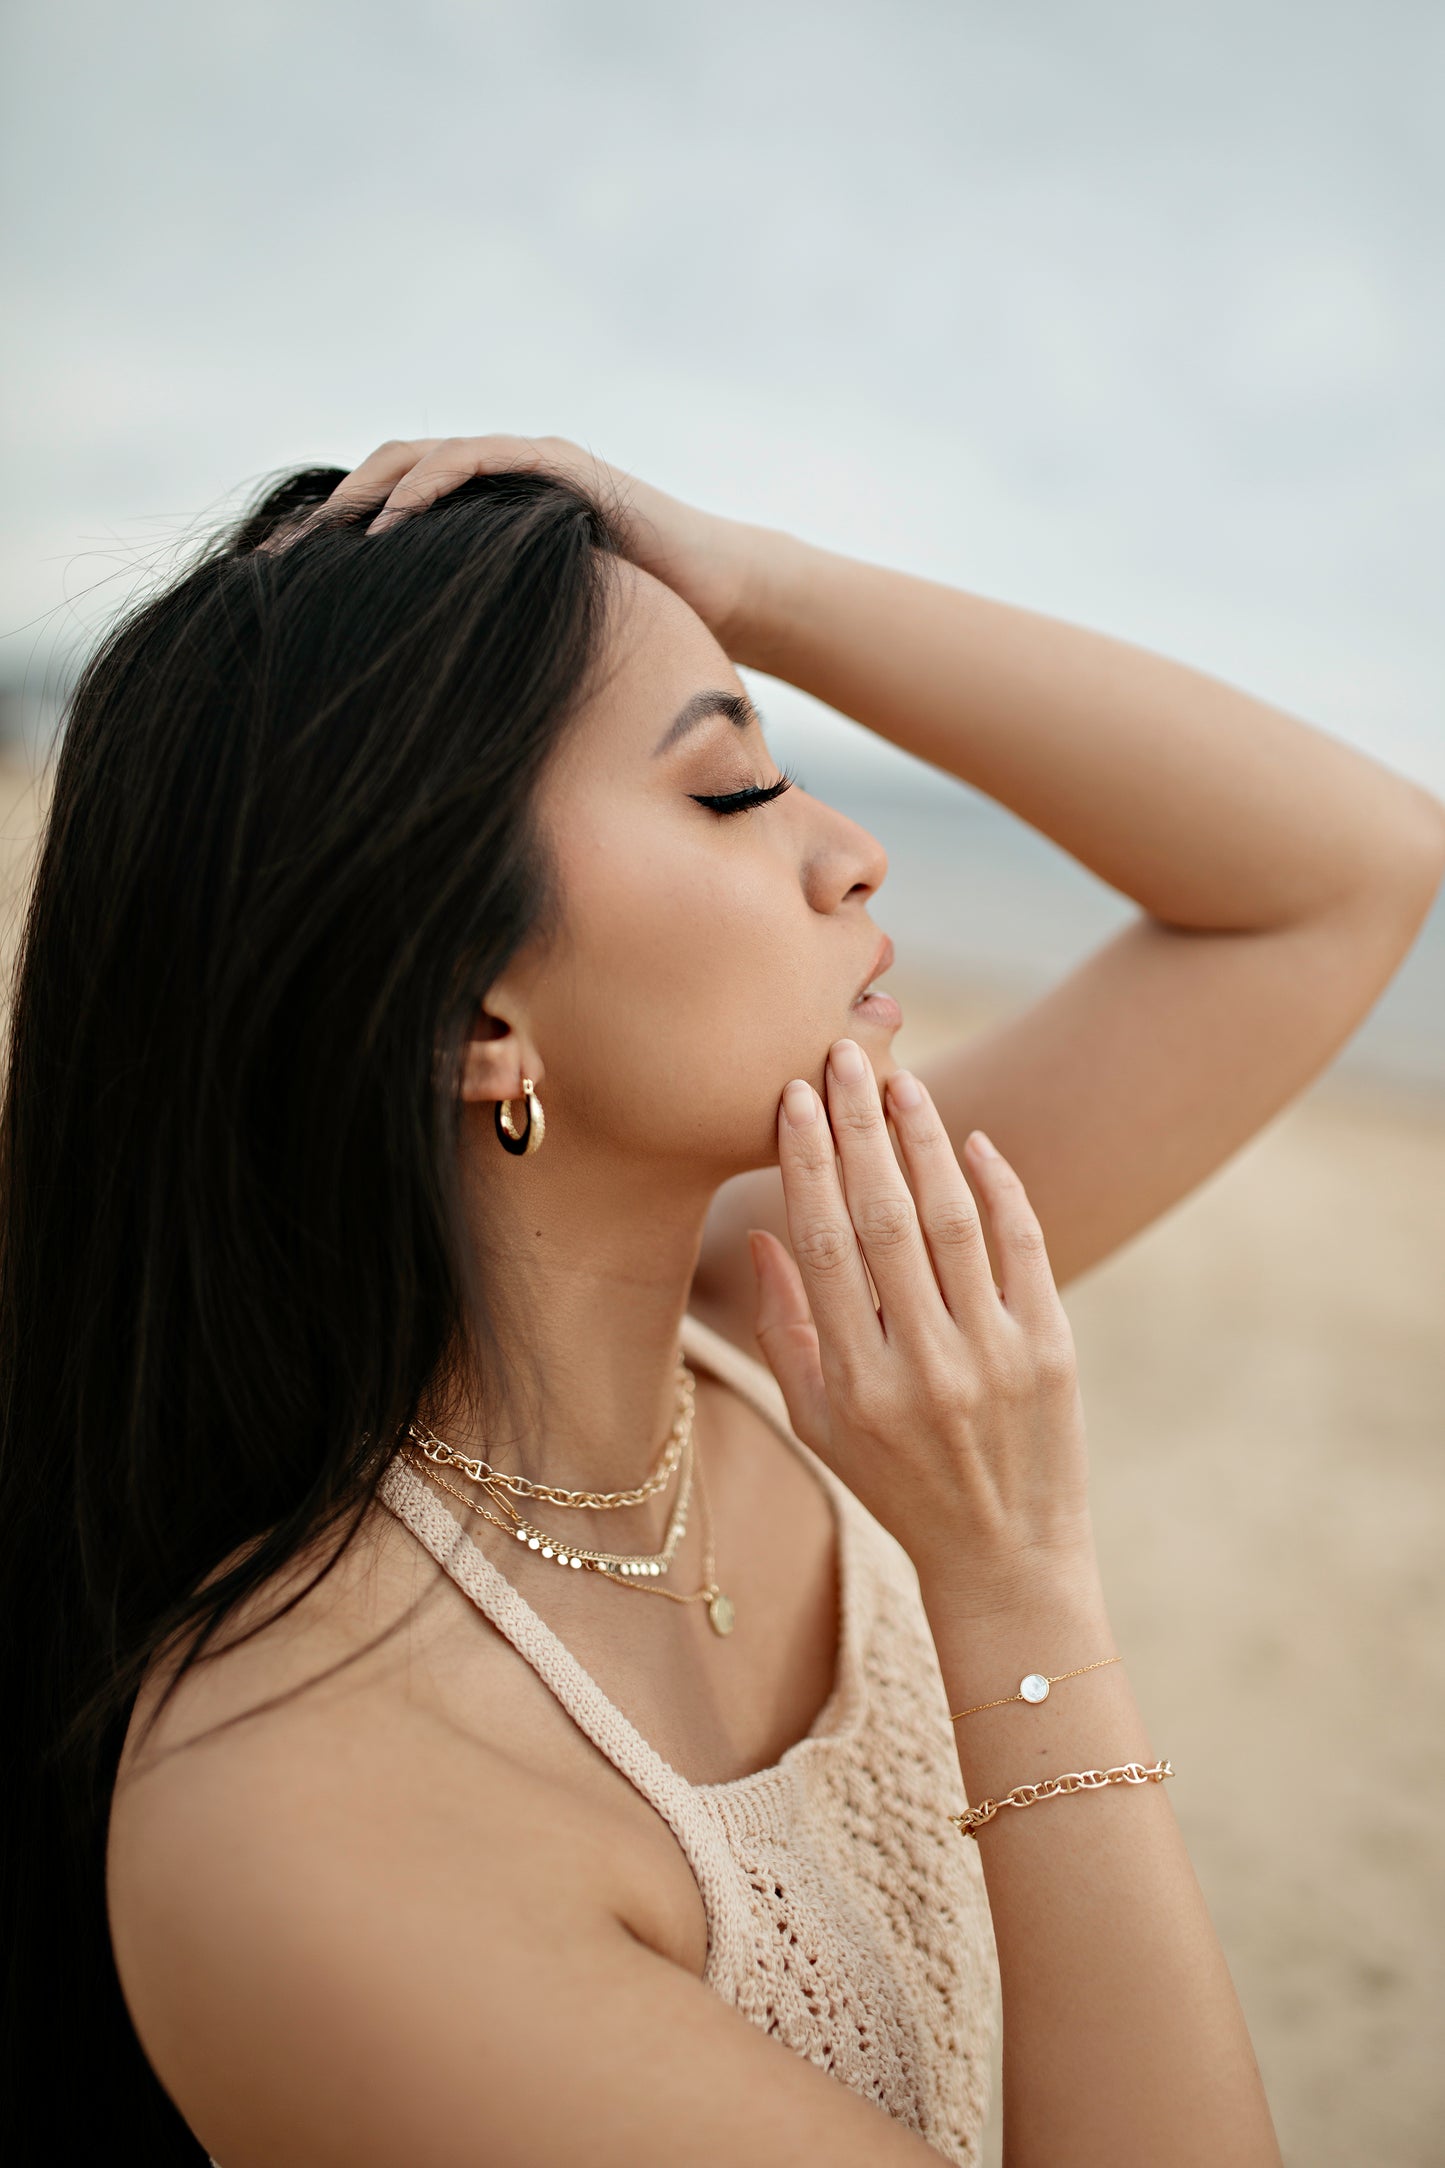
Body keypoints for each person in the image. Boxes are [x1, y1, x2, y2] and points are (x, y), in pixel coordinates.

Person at [5, 437, 1442, 2167]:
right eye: (732, 792)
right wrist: (1013, 1595)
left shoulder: (775, 1323)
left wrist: (750, 580)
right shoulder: (314, 1804)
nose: (855, 856)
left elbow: (1341, 873)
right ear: (476, 1019)